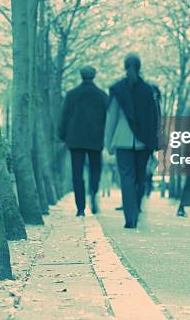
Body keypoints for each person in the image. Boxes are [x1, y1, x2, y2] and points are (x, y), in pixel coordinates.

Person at [105, 54, 160, 229]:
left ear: (124, 66)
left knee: (127, 179)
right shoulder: (149, 90)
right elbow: (156, 117)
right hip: (144, 142)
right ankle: (136, 209)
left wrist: (108, 143)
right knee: (140, 178)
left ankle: (130, 217)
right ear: (140, 66)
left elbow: (111, 118)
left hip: (122, 140)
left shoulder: (117, 89)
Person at [58, 66, 108, 216]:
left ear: (81, 75)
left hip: (76, 139)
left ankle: (80, 208)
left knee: (77, 174)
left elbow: (64, 116)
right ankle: (93, 191)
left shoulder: (72, 94)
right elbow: (108, 118)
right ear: (94, 75)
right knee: (95, 169)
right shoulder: (102, 96)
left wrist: (62, 136)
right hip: (95, 138)